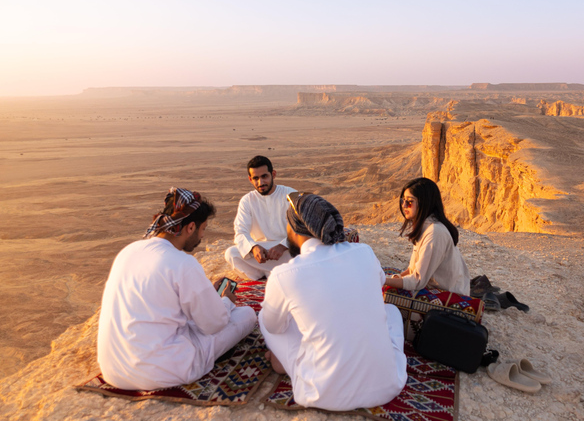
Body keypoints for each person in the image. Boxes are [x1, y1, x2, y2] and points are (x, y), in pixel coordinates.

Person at [97, 187, 257, 390]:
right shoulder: (183, 262)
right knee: (246, 315)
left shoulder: (128, 251)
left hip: (113, 371)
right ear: (190, 228)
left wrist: (207, 293)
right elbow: (214, 325)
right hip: (164, 370)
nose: (202, 236)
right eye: (203, 229)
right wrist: (226, 302)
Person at [259, 193, 407, 411]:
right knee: (392, 311)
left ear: (297, 229)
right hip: (388, 386)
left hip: (323, 394)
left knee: (265, 318)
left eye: (287, 226)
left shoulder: (285, 274)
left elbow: (274, 327)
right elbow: (380, 282)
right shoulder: (364, 252)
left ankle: (285, 362)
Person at [384, 177, 470, 296]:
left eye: (409, 201)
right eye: (403, 200)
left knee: (384, 295)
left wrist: (383, 281)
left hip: (446, 295)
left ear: (424, 203)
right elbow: (412, 270)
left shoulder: (435, 232)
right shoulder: (425, 227)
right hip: (431, 286)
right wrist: (392, 278)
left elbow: (417, 280)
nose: (404, 205)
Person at [224, 156, 297, 280]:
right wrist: (253, 247)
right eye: (256, 178)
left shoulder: (290, 195)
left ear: (273, 174)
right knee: (231, 254)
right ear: (250, 179)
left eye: (264, 176)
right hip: (262, 253)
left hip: (287, 250)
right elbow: (240, 232)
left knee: (308, 250)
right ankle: (273, 274)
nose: (261, 183)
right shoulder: (247, 201)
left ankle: (265, 273)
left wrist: (283, 245)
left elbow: (303, 228)